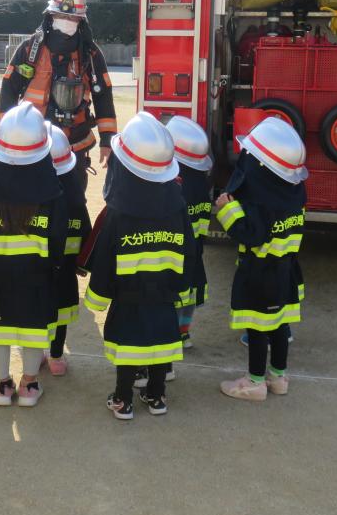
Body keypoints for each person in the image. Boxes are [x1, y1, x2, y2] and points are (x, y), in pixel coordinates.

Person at [84, 112, 200, 420]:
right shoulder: (177, 206)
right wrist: (183, 286)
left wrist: (97, 298)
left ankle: (123, 400)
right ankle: (157, 396)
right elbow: (189, 251)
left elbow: (106, 260)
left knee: (128, 346)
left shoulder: (117, 211)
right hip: (164, 297)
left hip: (127, 299)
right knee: (162, 343)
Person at [0, 102, 67, 407]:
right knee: (33, 329)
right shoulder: (51, 187)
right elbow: (58, 236)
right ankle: (30, 386)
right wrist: (54, 267)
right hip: (37, 276)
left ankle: (1, 386)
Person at [215, 117, 307, 402]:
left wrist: (227, 209)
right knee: (279, 326)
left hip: (259, 274)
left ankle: (254, 382)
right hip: (286, 272)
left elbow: (250, 235)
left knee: (257, 328)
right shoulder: (293, 196)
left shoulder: (260, 202)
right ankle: (278, 377)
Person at [0, 0, 117, 191]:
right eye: (61, 16)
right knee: (33, 198)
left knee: (73, 201)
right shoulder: (29, 50)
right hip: (32, 143)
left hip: (75, 142)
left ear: (81, 20)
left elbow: (103, 95)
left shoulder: (90, 53)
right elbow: (8, 90)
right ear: (51, 16)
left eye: (72, 18)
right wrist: (6, 135)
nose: (66, 21)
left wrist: (107, 140)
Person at [46, 124, 91, 376]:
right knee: (61, 313)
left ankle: (39, 355)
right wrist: (80, 264)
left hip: (34, 271)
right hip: (65, 271)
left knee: (37, 311)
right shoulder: (74, 198)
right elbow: (86, 230)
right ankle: (55, 356)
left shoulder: (28, 198)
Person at [165, 115, 213, 350]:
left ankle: (174, 334)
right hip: (196, 251)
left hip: (176, 254)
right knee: (190, 295)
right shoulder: (202, 184)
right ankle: (184, 333)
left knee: (174, 296)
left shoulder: (175, 184)